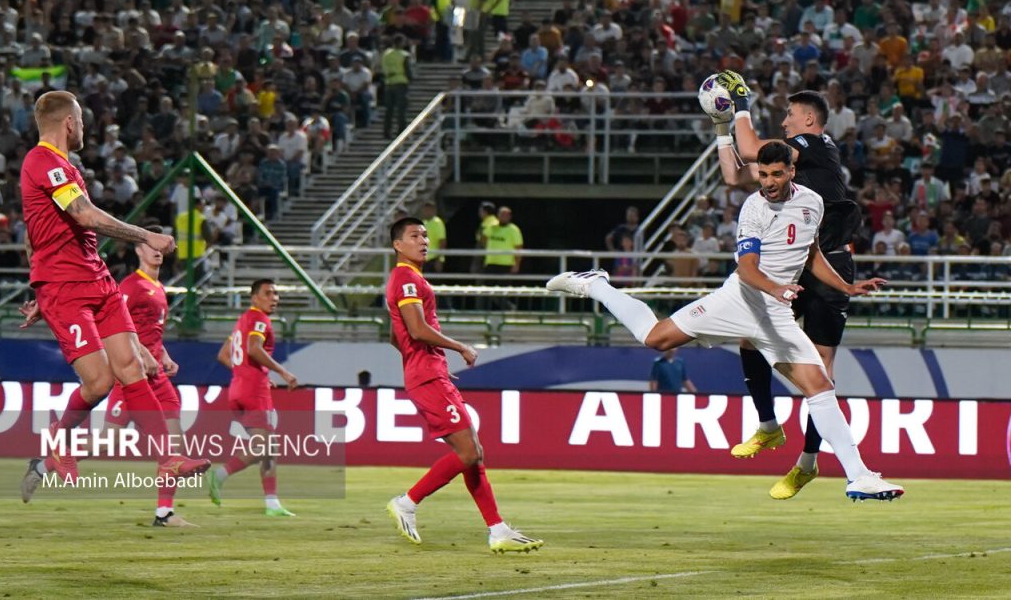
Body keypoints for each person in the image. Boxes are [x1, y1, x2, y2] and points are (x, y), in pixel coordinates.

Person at [548, 143, 903, 502]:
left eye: (776, 174)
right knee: (656, 338)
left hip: (775, 314)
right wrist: (777, 287)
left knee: (820, 388)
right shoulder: (754, 208)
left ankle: (859, 476)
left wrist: (846, 286)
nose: (769, 182)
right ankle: (596, 285)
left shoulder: (812, 202)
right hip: (739, 301)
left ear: (791, 171)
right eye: (763, 175)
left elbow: (809, 253)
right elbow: (747, 269)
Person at [18, 92, 209, 502]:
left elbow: (39, 232)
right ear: (69, 122)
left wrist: (37, 285)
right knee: (101, 381)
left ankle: (168, 458)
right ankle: (58, 441)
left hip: (96, 280)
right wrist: (146, 234)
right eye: (82, 120)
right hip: (66, 288)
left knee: (134, 367)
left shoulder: (66, 167)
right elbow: (84, 216)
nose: (85, 128)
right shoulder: (42, 161)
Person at [713, 73, 864, 499]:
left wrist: (742, 101)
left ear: (810, 119)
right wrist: (721, 130)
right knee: (748, 336)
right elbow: (737, 175)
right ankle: (767, 425)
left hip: (831, 259)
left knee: (821, 367)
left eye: (790, 115)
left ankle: (808, 462)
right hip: (796, 266)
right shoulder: (797, 166)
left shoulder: (816, 145)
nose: (783, 121)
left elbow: (750, 148)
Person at [385, 217, 542, 553]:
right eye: (414, 236)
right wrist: (458, 348)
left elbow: (394, 335)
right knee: (469, 452)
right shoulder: (406, 279)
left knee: (473, 453)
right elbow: (415, 329)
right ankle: (407, 502)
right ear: (398, 245)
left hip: (430, 373)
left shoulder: (409, 279)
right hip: (428, 377)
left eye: (426, 235)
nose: (423, 241)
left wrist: (427, 361)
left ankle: (498, 529)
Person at [100, 228, 195, 527]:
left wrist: (162, 354)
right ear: (138, 250)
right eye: (148, 244)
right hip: (131, 375)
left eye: (159, 245)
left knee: (174, 446)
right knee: (107, 441)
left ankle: (164, 513)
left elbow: (149, 331)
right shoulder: (130, 286)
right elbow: (112, 325)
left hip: (157, 378)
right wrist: (144, 354)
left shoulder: (157, 287)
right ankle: (50, 462)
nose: (156, 249)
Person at [211, 279, 299, 517]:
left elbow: (223, 355)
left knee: (269, 447)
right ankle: (220, 475)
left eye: (276, 293)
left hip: (237, 388)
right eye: (268, 293)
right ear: (254, 297)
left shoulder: (242, 320)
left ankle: (272, 504)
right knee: (265, 447)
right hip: (254, 391)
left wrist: (246, 372)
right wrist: (282, 371)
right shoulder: (260, 319)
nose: (275, 298)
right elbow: (253, 348)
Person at [421, 201, 447, 273]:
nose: (427, 211)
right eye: (425, 209)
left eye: (429, 209)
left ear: (433, 210)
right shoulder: (423, 223)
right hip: (424, 259)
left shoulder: (437, 222)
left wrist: (439, 259)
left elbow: (442, 241)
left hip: (434, 258)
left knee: (433, 282)